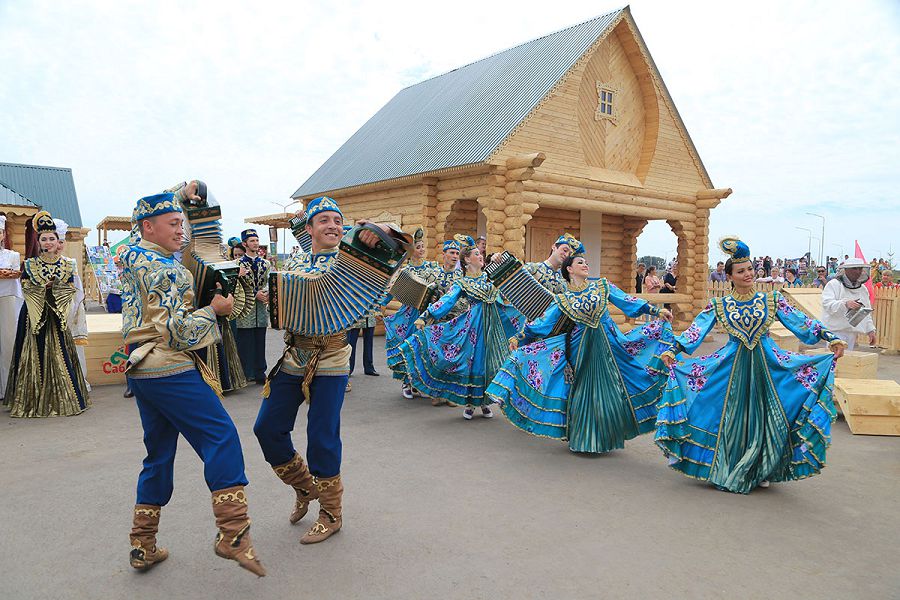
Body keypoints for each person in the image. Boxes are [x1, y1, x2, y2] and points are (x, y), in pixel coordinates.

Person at [121, 187, 265, 575]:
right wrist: (214, 310)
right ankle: (233, 533)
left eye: (181, 223)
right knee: (221, 435)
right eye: (172, 224)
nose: (181, 231)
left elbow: (144, 213)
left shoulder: (131, 255)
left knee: (159, 454)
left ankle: (142, 544)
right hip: (169, 365)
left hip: (141, 370)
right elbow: (178, 333)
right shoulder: (167, 268)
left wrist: (177, 191)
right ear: (148, 227)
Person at [253, 196, 403, 545]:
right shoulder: (297, 259)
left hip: (333, 359)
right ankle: (305, 487)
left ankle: (331, 512)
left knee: (322, 436)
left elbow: (396, 244)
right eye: (324, 221)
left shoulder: (354, 260)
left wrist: (375, 232)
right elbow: (288, 300)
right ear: (310, 229)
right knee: (267, 428)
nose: (333, 226)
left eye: (338, 220)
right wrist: (274, 298)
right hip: (294, 355)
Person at [657, 236, 846, 494]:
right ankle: (727, 463)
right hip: (731, 366)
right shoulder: (719, 305)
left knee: (765, 414)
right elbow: (695, 331)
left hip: (766, 366)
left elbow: (802, 323)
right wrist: (673, 349)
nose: (748, 274)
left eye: (750, 269)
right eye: (741, 271)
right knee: (728, 414)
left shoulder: (771, 300)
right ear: (730, 276)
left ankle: (762, 466)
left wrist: (831, 338)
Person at [487, 254, 673, 453]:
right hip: (579, 347)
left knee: (611, 386)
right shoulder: (563, 299)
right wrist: (520, 336)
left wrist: (655, 311)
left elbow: (627, 300)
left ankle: (606, 436)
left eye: (586, 262)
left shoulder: (601, 286)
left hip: (608, 344)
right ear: (569, 269)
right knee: (584, 388)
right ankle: (585, 438)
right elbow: (543, 323)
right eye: (580, 263)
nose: (585, 265)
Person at [398, 235, 522, 419]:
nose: (481, 256)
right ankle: (471, 402)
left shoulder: (492, 276)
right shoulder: (462, 283)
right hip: (473, 327)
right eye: (476, 254)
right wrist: (427, 316)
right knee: (474, 364)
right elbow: (447, 301)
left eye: (481, 254)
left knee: (491, 364)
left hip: (496, 326)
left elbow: (514, 268)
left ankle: (485, 401)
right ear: (466, 260)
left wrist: (498, 256)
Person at [5, 210, 91, 417]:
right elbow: (26, 286)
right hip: (34, 315)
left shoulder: (68, 264)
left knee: (61, 352)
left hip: (57, 314)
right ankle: (33, 401)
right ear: (39, 241)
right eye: (44, 239)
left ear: (57, 240)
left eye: (52, 238)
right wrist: (45, 287)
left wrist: (56, 288)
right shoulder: (31, 264)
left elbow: (70, 288)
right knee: (34, 353)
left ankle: (64, 398)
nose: (48, 242)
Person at [383, 228, 438, 399]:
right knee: (408, 347)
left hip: (426, 315)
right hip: (408, 314)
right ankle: (406, 382)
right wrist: (382, 304)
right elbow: (394, 291)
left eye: (423, 246)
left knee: (424, 349)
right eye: (418, 247)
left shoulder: (432, 268)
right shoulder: (405, 271)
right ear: (411, 250)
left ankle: (419, 383)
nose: (421, 249)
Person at [55, 218, 92, 391]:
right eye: (56, 240)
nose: (58, 245)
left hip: (71, 309)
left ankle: (76, 381)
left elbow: (78, 290)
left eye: (61, 241)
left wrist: (72, 309)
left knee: (74, 347)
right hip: (50, 311)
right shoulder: (37, 263)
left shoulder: (70, 263)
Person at [235, 229, 270, 384]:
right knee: (245, 343)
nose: (255, 243)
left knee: (260, 341)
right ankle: (245, 373)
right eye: (252, 241)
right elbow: (235, 285)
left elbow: (270, 281)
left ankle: (260, 373)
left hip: (261, 309)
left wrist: (267, 293)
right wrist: (255, 293)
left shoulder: (266, 263)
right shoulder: (237, 264)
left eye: (256, 240)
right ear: (245, 244)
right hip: (245, 309)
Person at [821, 257, 876, 350]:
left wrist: (871, 330)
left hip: (852, 332)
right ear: (846, 270)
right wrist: (845, 304)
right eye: (854, 268)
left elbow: (866, 312)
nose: (858, 271)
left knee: (847, 361)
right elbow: (827, 304)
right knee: (835, 361)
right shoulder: (834, 284)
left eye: (860, 269)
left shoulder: (863, 289)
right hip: (835, 331)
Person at [0, 214, 23, 403]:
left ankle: (8, 387)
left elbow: (15, 274)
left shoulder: (12, 255)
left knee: (8, 341)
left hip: (7, 299)